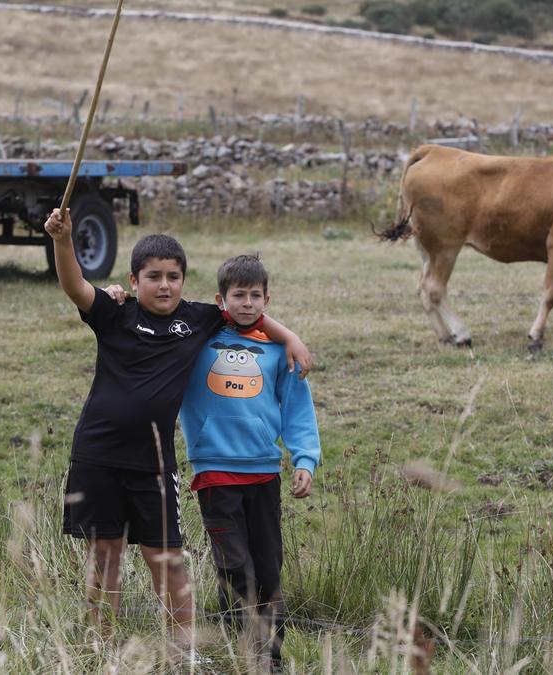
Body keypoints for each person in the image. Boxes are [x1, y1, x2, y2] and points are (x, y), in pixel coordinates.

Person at [43, 209, 311, 653]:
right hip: (97, 454)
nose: (164, 285)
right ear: (133, 281)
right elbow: (74, 285)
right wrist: (63, 240)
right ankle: (100, 647)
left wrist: (292, 338)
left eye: (173, 276)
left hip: (154, 461)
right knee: (104, 557)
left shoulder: (200, 319)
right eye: (153, 276)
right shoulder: (115, 314)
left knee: (166, 559)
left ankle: (182, 652)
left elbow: (247, 314)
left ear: (184, 281)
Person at [179, 253, 321, 671]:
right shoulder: (197, 340)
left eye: (254, 295)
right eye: (237, 295)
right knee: (234, 565)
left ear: (266, 299)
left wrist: (305, 460)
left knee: (267, 566)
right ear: (220, 300)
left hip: (263, 474)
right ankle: (240, 640)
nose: (246, 303)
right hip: (215, 473)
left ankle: (270, 657)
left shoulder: (278, 351)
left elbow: (297, 410)